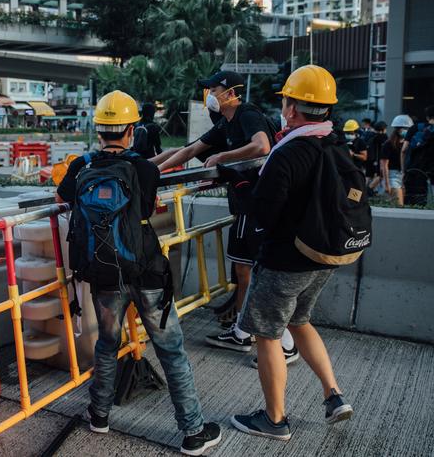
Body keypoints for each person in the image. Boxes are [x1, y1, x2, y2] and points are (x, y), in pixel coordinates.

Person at [56, 90, 221, 457]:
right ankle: (193, 431)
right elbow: (146, 208)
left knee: (106, 344)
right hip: (145, 272)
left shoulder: (80, 166)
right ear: (131, 130)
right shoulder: (144, 168)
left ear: (99, 130)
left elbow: (62, 198)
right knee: (171, 349)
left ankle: (99, 415)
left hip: (103, 273)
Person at [225, 65, 354, 440]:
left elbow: (264, 211)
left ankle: (274, 419)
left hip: (287, 260)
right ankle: (334, 394)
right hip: (323, 256)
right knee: (299, 322)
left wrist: (245, 182)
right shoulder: (334, 143)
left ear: (293, 107)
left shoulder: (290, 152)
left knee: (267, 335)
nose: (283, 105)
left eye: (285, 99)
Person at [151, 71, 297, 364]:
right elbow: (190, 149)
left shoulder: (247, 113)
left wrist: (222, 158)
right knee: (244, 271)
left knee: (256, 273)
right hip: (246, 204)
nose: (209, 96)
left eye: (213, 89)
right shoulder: (225, 124)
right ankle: (242, 332)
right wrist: (150, 170)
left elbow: (262, 146)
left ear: (230, 93)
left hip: (259, 206)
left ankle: (284, 342)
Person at [401, 106, 434, 205]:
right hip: (432, 172)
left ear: (427, 117)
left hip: (414, 171)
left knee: (412, 201)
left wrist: (403, 171)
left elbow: (403, 150)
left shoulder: (415, 128)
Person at [381, 115, 412, 206]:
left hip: (403, 176)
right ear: (397, 129)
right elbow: (384, 165)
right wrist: (387, 184)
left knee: (400, 204)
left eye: (408, 128)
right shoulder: (388, 144)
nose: (406, 131)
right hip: (392, 176)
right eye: (404, 128)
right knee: (399, 205)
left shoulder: (407, 144)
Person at [366, 121, 388, 193]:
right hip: (377, 159)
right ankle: (367, 191)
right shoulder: (383, 137)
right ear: (383, 129)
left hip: (369, 159)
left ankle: (362, 192)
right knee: (380, 175)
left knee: (368, 176)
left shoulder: (371, 135)